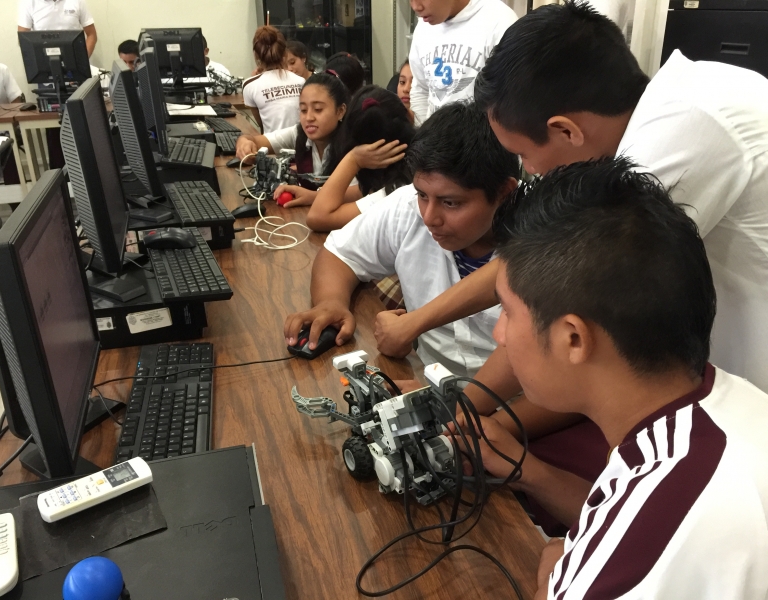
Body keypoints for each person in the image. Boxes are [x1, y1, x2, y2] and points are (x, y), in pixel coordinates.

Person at [385, 1, 768, 396]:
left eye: (525, 157)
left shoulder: (683, 134)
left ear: (566, 131)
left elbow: (552, 278)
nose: (530, 172)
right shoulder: (680, 94)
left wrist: (468, 405)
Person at [470, 156, 768, 599]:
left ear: (573, 338)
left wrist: (555, 580)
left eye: (508, 313)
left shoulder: (670, 511)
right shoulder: (731, 404)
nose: (499, 334)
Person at [283, 102, 519, 378]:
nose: (430, 217)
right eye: (422, 195)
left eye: (451, 203)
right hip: (426, 383)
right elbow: (340, 254)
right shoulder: (407, 205)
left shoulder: (545, 234)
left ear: (504, 193)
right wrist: (331, 302)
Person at [306, 85, 415, 231]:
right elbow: (363, 191)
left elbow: (318, 217)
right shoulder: (407, 173)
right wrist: (313, 196)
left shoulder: (394, 194)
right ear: (409, 116)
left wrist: (353, 159)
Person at [236, 72, 350, 207]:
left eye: (318, 109)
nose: (308, 117)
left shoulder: (351, 143)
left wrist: (313, 197)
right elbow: (254, 140)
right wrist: (244, 143)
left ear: (340, 111)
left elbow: (360, 191)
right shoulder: (298, 133)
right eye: (303, 110)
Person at [408, 0, 516, 122]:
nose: (416, 7)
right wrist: (425, 135)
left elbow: (508, 101)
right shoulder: (423, 28)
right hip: (434, 137)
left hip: (481, 138)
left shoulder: (499, 20)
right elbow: (421, 90)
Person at [242, 26, 305, 133]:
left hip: (271, 146)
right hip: (303, 146)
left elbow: (261, 124)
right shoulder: (302, 81)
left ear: (256, 55)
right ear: (285, 53)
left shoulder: (249, 85)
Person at [17, 0, 97, 57]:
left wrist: (83, 60)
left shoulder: (78, 1)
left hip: (75, 63)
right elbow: (23, 40)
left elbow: (92, 35)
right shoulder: (27, 3)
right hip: (44, 66)